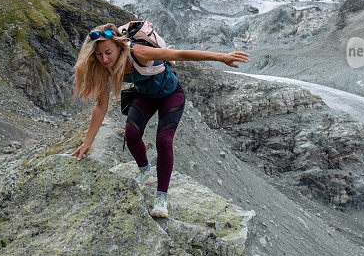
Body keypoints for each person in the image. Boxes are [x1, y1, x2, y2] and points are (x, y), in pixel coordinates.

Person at [71, 22, 250, 218]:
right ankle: (144, 170)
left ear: (119, 46)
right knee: (131, 134)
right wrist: (87, 143)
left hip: (171, 95)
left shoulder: (139, 52)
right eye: (99, 55)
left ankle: (161, 197)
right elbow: (100, 107)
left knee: (163, 141)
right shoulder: (104, 68)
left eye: (108, 52)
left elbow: (179, 55)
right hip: (145, 96)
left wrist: (221, 57)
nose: (104, 59)